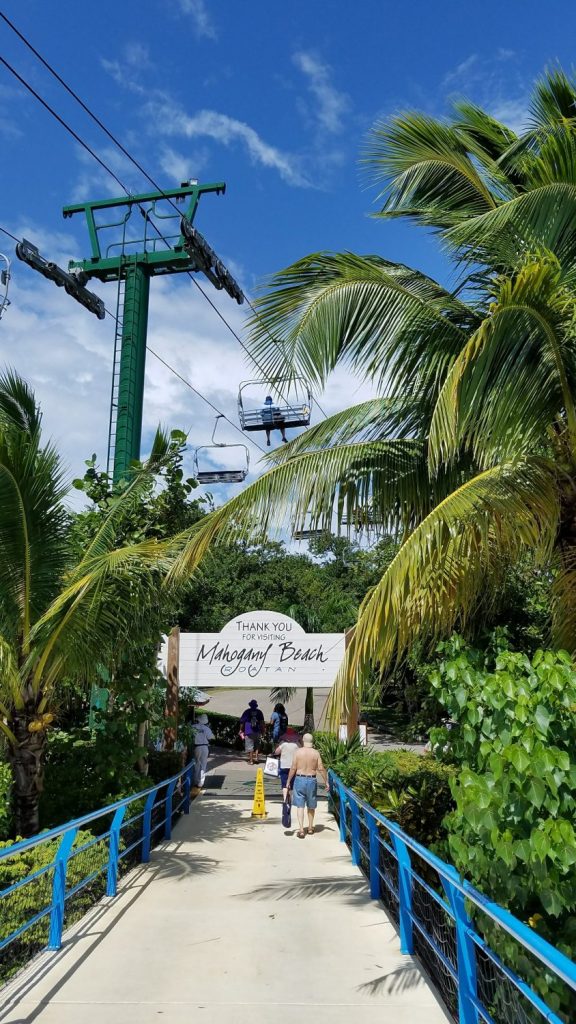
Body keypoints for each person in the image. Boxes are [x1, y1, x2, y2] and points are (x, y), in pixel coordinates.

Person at [287, 733, 328, 838]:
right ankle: (310, 827)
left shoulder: (298, 752)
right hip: (311, 780)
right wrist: (326, 781)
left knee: (300, 805)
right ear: (312, 741)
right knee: (311, 804)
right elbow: (321, 768)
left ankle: (301, 830)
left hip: (299, 778)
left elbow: (293, 768)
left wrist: (288, 781)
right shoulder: (316, 753)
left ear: (303, 741)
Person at [275, 728, 301, 801]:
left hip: (284, 766)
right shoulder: (297, 744)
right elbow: (301, 751)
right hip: (293, 767)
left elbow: (276, 752)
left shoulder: (283, 743)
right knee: (292, 783)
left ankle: (284, 799)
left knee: (284, 783)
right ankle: (291, 799)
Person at [191, 713, 214, 789]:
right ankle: (201, 783)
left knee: (197, 764)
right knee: (203, 765)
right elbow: (210, 737)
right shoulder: (207, 729)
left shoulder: (193, 727)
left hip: (197, 747)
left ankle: (195, 781)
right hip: (205, 747)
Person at [239, 699, 265, 765]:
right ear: (256, 705)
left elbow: (242, 722)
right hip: (257, 730)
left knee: (249, 745)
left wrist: (241, 729)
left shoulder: (247, 712)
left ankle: (251, 760)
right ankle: (256, 758)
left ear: (250, 705)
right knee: (256, 745)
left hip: (248, 729)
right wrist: (263, 731)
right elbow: (262, 723)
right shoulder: (259, 712)